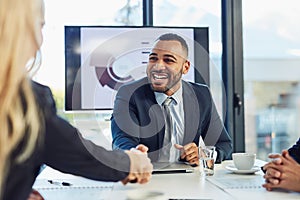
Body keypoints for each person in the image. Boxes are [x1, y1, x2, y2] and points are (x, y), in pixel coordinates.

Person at [0, 0, 153, 199]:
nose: (39, 40)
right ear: (19, 27)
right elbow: (78, 153)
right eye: (40, 25)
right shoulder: (24, 101)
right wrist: (133, 162)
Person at [111, 33, 232, 166]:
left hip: (187, 179)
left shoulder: (201, 95)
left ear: (185, 67)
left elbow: (224, 145)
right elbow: (122, 140)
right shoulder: (129, 93)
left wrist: (203, 154)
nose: (158, 66)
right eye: (153, 59)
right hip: (148, 178)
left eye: (168, 60)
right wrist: (133, 153)